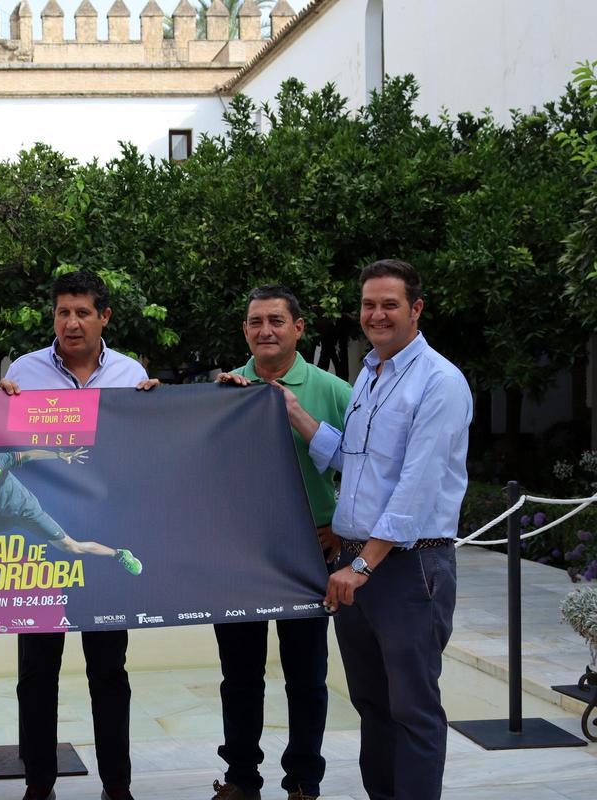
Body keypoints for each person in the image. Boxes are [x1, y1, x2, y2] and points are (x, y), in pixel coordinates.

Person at [278, 260, 472, 800]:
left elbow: (418, 485)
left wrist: (363, 565)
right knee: (372, 704)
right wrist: (294, 412)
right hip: (359, 566)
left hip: (408, 568)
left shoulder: (439, 382)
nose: (377, 314)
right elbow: (353, 459)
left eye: (390, 304)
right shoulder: (369, 374)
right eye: (369, 304)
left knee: (413, 710)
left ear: (416, 309)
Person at [0, 268, 158, 800]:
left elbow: (144, 451)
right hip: (40, 545)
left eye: (82, 312)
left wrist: (156, 407)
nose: (71, 322)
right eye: (62, 311)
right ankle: (38, 785)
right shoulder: (23, 372)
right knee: (36, 674)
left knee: (109, 671)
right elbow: (0, 442)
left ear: (103, 317)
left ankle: (118, 787)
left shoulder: (130, 374)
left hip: (103, 533)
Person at [210, 285, 352, 800]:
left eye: (275, 320)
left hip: (308, 554)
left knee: (307, 678)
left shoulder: (334, 390)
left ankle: (303, 782)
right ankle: (241, 778)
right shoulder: (224, 389)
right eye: (254, 322)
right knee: (240, 677)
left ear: (298, 328)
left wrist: (340, 524)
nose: (264, 330)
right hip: (240, 554)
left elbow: (360, 468)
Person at [0, 442, 143, 575]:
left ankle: (119, 554)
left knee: (71, 547)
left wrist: (58, 454)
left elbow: (27, 455)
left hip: (27, 511)